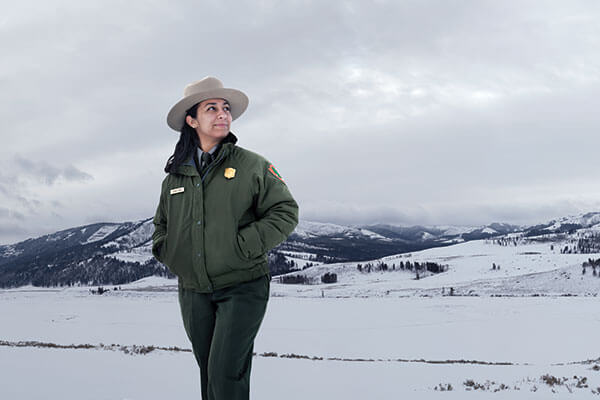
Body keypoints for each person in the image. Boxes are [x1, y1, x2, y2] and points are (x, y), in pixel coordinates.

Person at [151, 76, 299, 400]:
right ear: (191, 120)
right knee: (208, 375)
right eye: (211, 108)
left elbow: (286, 212)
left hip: (243, 285)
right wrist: (169, 251)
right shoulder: (176, 176)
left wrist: (243, 246)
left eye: (226, 108)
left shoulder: (251, 165)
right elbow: (161, 224)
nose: (222, 114)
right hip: (193, 292)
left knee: (225, 375)